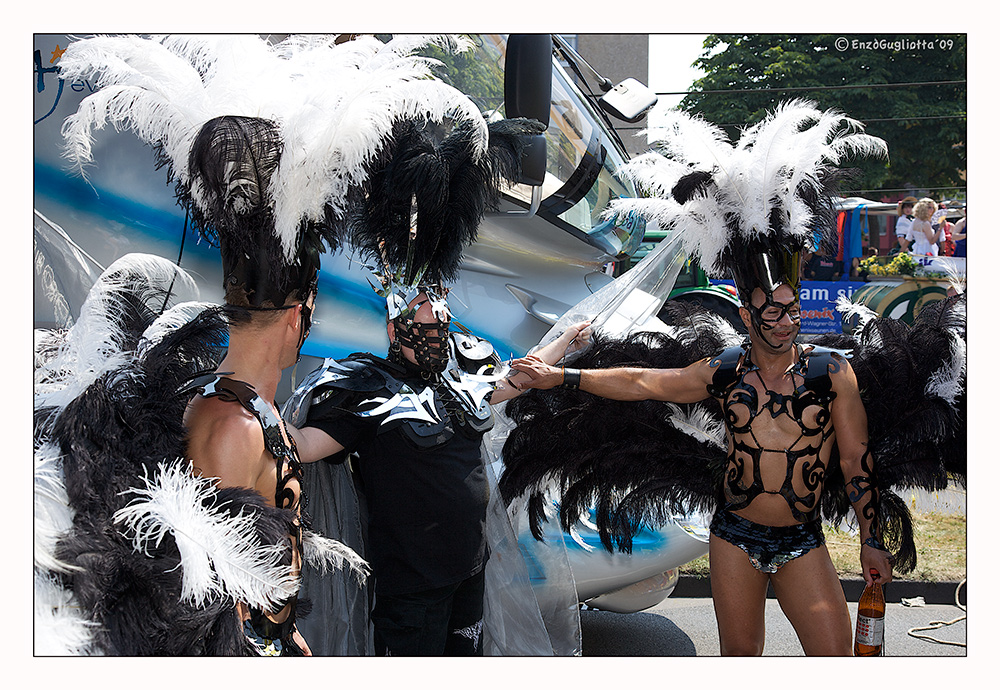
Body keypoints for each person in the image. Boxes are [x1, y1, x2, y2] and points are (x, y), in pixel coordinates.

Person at [511, 272, 893, 655]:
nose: (786, 324)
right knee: (739, 658)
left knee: (836, 657)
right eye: (773, 313)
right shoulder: (728, 371)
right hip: (735, 537)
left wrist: (871, 540)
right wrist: (562, 375)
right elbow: (646, 382)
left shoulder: (828, 373)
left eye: (793, 311)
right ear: (746, 316)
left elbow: (854, 458)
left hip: (802, 539)